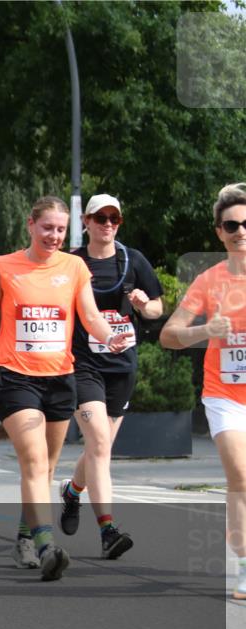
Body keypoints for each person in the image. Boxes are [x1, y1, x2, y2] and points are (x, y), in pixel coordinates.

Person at [0, 196, 131, 581]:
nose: (54, 235)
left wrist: (109, 336)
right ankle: (48, 546)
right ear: (30, 225)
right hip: (16, 378)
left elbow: (89, 315)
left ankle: (23, 538)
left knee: (45, 467)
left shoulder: (74, 267)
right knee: (34, 461)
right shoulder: (4, 267)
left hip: (60, 379)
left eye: (61, 229)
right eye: (47, 227)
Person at [58, 194, 163, 559]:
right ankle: (108, 530)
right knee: (99, 444)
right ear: (85, 221)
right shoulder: (71, 262)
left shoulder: (132, 260)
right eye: (100, 218)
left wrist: (143, 305)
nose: (107, 224)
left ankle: (72, 492)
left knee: (98, 448)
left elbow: (157, 307)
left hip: (122, 367)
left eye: (113, 218)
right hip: (83, 364)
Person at [161, 182, 246, 600]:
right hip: (225, 395)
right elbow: (168, 335)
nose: (241, 231)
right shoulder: (209, 281)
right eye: (232, 224)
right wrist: (206, 330)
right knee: (240, 477)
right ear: (219, 232)